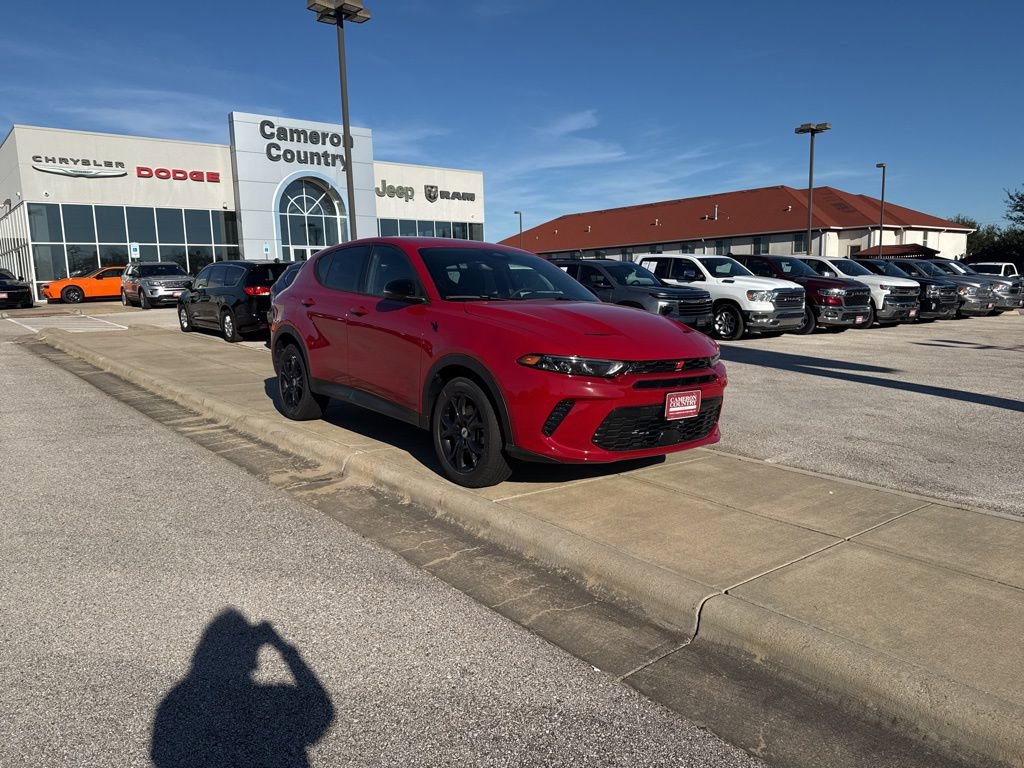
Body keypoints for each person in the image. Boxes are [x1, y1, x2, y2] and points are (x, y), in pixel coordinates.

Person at [151, 609, 335, 768]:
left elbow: (161, 754)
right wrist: (286, 651)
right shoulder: (267, 699)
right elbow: (319, 707)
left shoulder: (180, 699)